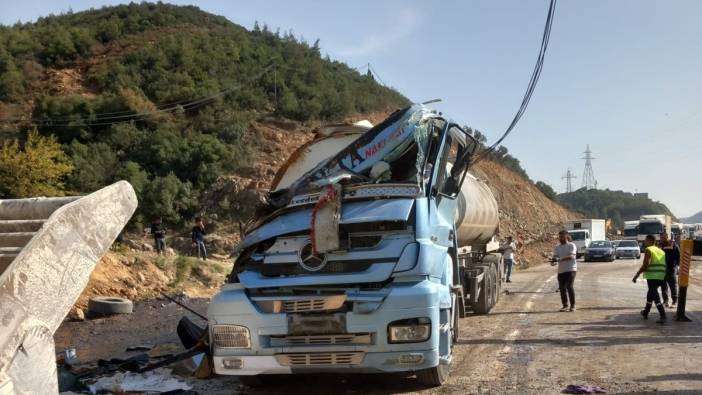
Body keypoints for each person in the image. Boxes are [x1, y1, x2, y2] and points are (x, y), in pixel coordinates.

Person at [632, 234, 667, 324]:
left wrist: (637, 275)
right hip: (661, 276)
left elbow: (645, 265)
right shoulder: (661, 251)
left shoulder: (649, 250)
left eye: (646, 240)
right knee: (650, 294)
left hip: (652, 276)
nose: (644, 242)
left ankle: (663, 315)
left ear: (651, 241)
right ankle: (646, 312)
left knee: (655, 296)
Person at [552, 230, 577, 312]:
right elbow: (555, 256)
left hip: (571, 269)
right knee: (562, 288)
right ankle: (565, 305)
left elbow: (572, 256)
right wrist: (553, 260)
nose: (560, 238)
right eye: (559, 237)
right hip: (561, 270)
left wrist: (560, 259)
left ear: (566, 236)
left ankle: (573, 305)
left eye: (562, 237)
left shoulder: (571, 245)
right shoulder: (557, 247)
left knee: (569, 286)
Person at [659, 232, 680, 307]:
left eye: (663, 237)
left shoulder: (673, 245)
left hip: (671, 268)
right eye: (661, 237)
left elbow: (678, 256)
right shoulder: (659, 245)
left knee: (672, 286)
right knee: (663, 286)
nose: (661, 238)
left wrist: (678, 266)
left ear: (667, 237)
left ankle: (674, 302)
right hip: (662, 269)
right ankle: (665, 301)